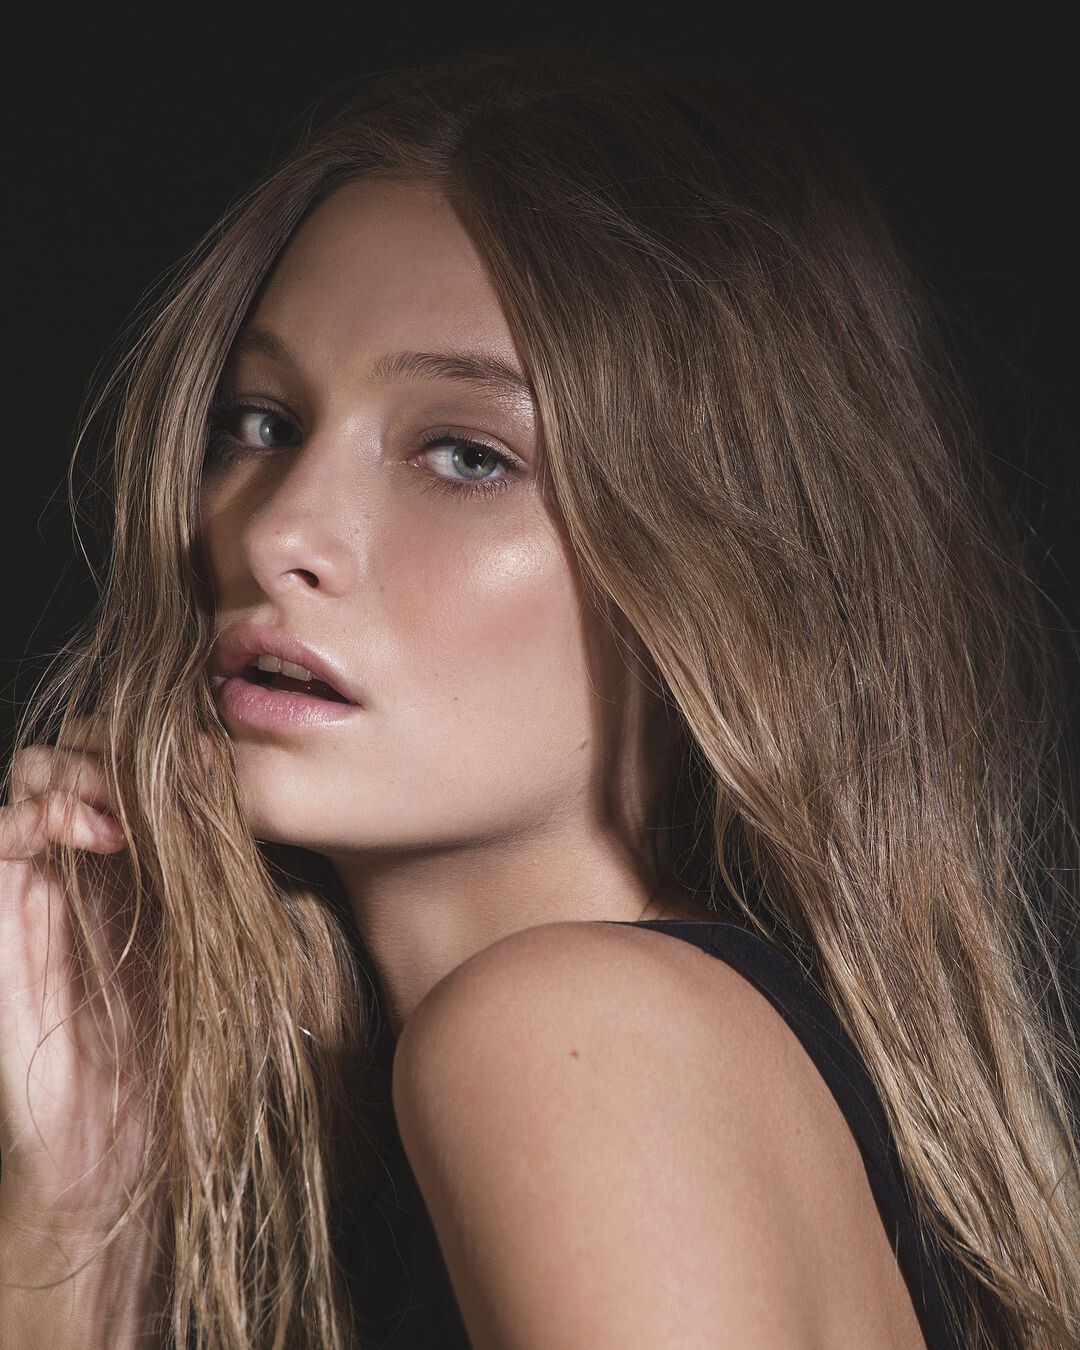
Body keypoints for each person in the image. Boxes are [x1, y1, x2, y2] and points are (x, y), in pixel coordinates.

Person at [0, 42, 1077, 1350]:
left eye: (466, 456)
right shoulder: (618, 1064)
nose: (278, 532)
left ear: (724, 568)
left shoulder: (562, 1036)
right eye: (262, 423)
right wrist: (81, 1202)